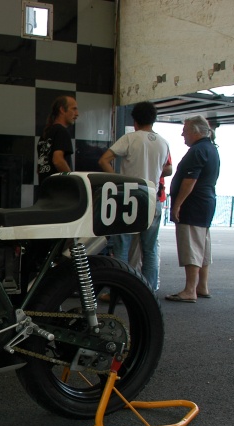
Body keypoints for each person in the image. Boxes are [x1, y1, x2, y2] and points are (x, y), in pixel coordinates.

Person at [98, 101, 172, 292]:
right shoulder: (163, 143)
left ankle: (119, 292)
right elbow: (168, 169)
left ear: (135, 120)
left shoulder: (130, 138)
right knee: (150, 249)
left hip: (130, 198)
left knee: (122, 246)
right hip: (153, 198)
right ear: (153, 120)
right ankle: (148, 291)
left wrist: (119, 181)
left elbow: (104, 160)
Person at [165, 115, 220, 303]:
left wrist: (178, 204)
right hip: (206, 202)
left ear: (196, 131)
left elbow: (190, 180)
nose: (182, 134)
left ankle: (190, 290)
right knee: (202, 245)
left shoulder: (197, 151)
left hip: (193, 204)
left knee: (191, 246)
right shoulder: (211, 148)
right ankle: (202, 286)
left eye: (185, 130)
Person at [37, 95, 79, 185]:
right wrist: (72, 182)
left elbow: (39, 168)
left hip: (45, 190)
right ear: (62, 110)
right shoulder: (61, 131)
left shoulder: (46, 133)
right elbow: (58, 161)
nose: (77, 114)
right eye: (74, 109)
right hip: (59, 191)